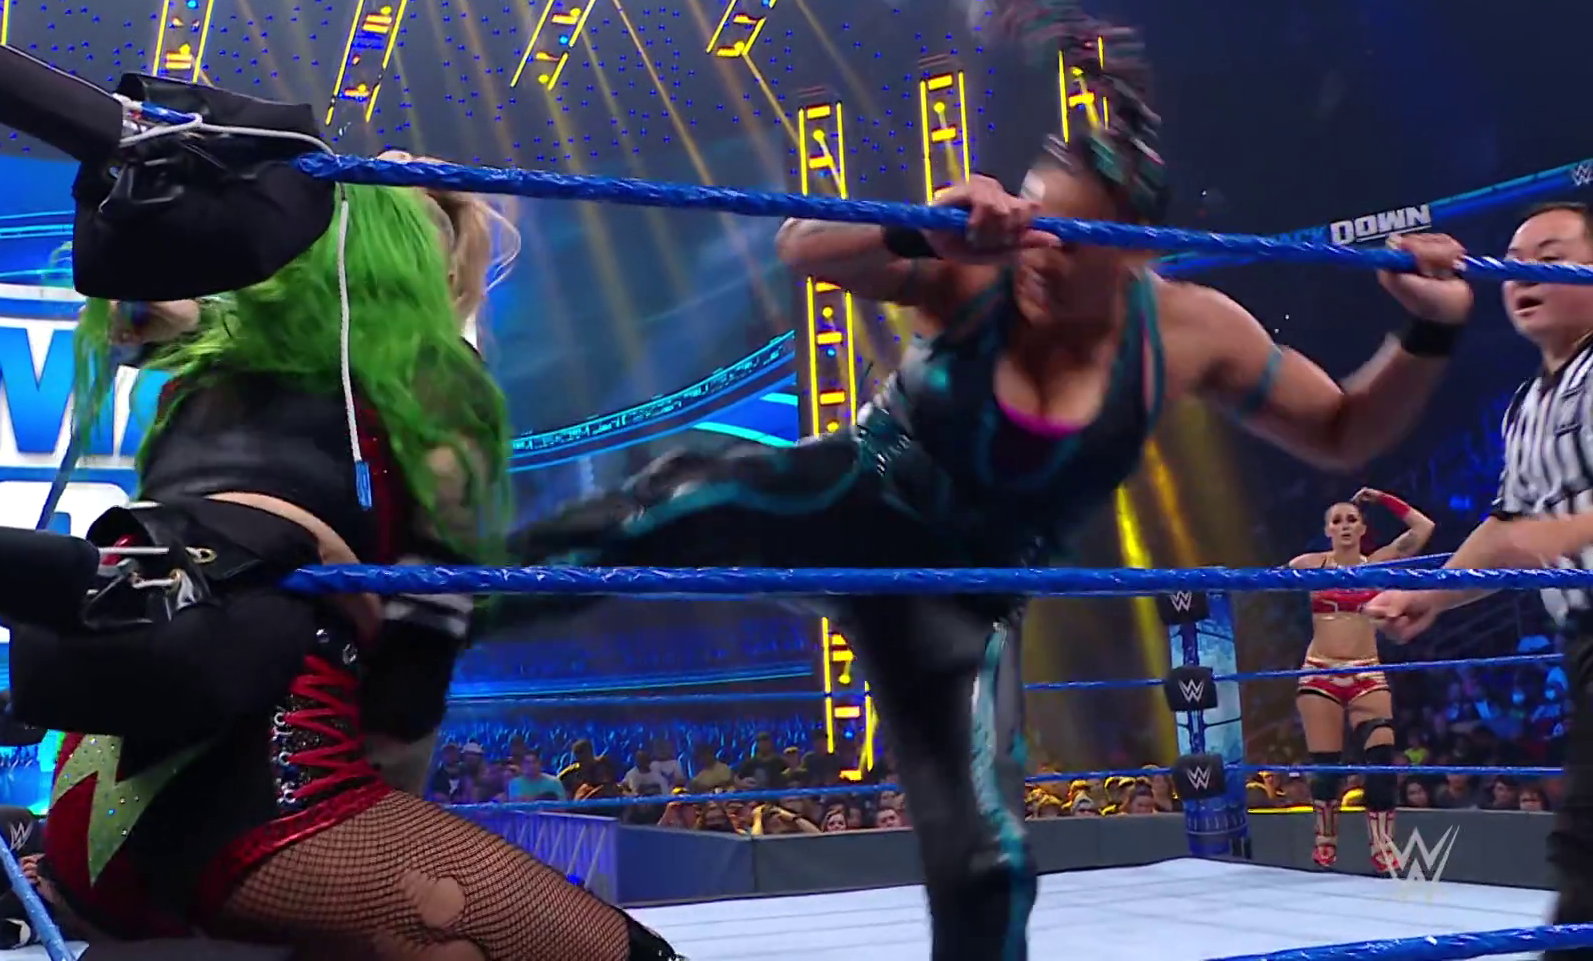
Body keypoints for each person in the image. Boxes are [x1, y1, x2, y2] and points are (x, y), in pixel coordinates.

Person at [512, 87, 1472, 959]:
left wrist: (1429, 332)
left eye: (1073, 238)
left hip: (964, 597)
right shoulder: (980, 265)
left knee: (989, 865)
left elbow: (1343, 429)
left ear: (1136, 254)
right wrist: (931, 226)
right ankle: (450, 602)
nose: (1042, 249)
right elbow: (802, 244)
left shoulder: (1190, 332)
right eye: (1038, 220)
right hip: (858, 496)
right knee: (675, 498)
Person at [0, 144, 686, 959]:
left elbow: (139, 304)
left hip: (88, 814)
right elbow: (408, 693)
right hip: (269, 814)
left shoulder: (200, 374)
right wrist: (385, 828)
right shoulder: (435, 394)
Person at [1364, 202, 1593, 961]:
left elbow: (1529, 535)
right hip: (1581, 639)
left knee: (1584, 847)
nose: (1523, 275)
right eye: (1515, 262)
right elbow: (1504, 530)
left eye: (1550, 258)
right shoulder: (1525, 408)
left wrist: (1548, 537)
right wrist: (1430, 595)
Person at [1288, 489, 1435, 872]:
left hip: (1367, 671)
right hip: (1320, 671)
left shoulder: (1378, 563)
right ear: (1327, 530)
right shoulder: (1309, 565)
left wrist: (1382, 497)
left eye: (1351, 519)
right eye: (1337, 520)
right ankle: (1325, 840)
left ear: (1362, 528)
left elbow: (1423, 528)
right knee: (1326, 766)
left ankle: (1383, 845)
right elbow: (1270, 580)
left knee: (1381, 761)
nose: (1344, 526)